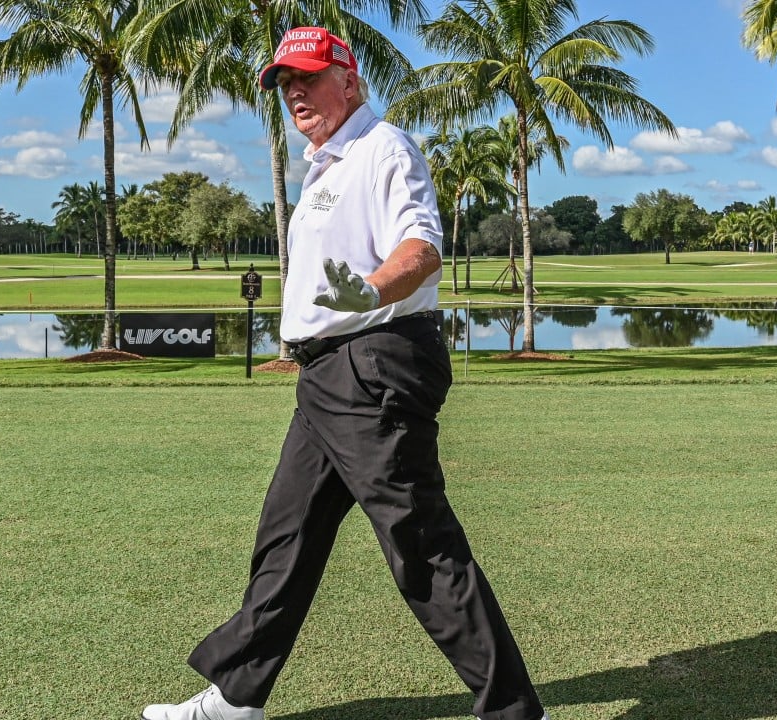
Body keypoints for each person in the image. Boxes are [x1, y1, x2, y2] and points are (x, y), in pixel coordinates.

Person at [140, 27, 549, 720]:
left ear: (349, 80)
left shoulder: (383, 148)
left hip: (373, 362)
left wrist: (368, 291)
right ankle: (238, 696)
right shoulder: (325, 165)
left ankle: (514, 712)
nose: (294, 92)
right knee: (287, 535)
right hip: (329, 374)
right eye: (284, 83)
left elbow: (421, 248)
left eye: (308, 77)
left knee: (420, 544)